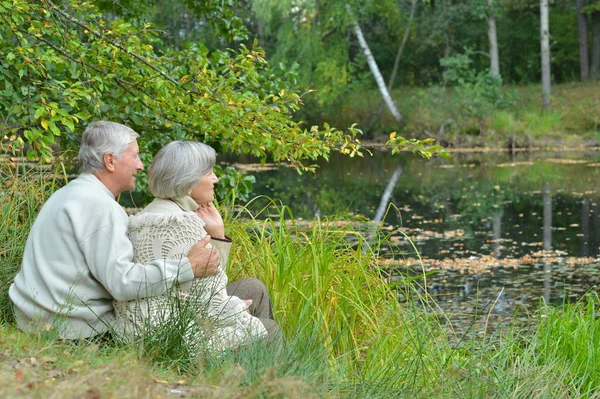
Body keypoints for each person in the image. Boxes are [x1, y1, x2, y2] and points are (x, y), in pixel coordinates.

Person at [9, 121, 220, 339]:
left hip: (35, 320)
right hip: (74, 330)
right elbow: (122, 283)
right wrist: (187, 267)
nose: (140, 165)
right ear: (110, 161)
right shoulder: (101, 207)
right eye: (135, 156)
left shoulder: (67, 193)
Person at [114, 141, 279, 351]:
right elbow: (211, 303)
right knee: (269, 329)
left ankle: (254, 366)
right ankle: (268, 377)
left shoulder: (147, 215)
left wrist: (217, 236)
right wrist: (240, 310)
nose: (215, 179)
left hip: (151, 321)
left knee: (254, 288)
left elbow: (206, 283)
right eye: (209, 172)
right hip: (172, 335)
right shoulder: (183, 224)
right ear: (189, 180)